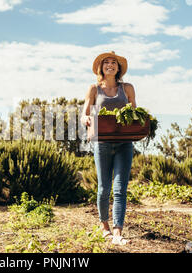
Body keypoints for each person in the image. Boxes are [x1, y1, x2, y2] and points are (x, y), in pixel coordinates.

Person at [81, 51, 136, 245]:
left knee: (120, 189)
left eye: (114, 62)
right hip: (102, 143)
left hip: (124, 144)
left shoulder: (127, 88)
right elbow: (84, 113)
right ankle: (104, 227)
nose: (110, 65)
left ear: (118, 68)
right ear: (101, 67)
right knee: (104, 189)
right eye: (107, 62)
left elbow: (134, 113)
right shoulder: (94, 89)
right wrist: (87, 118)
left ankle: (118, 231)